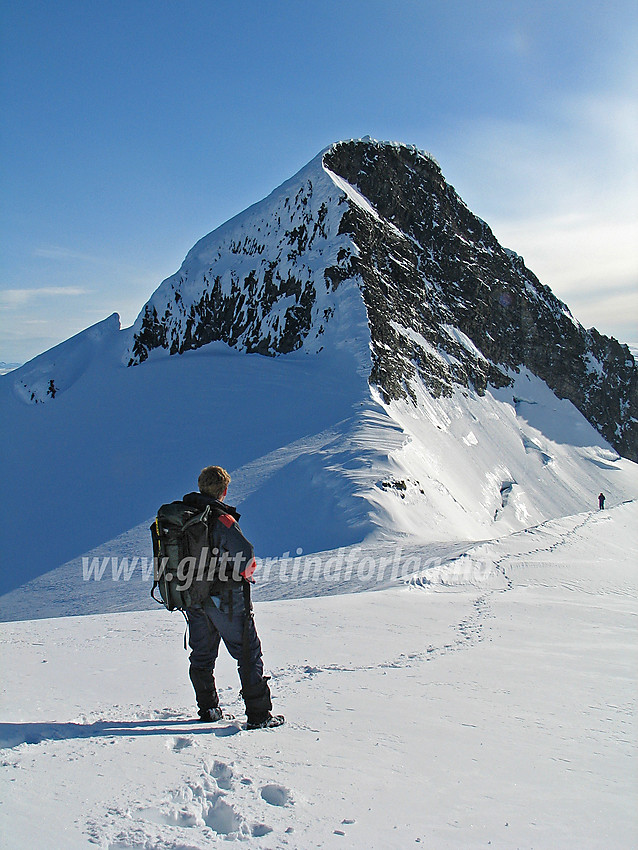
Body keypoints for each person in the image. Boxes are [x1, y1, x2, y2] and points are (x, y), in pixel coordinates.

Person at [182, 465, 284, 729]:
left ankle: (208, 709)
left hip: (192, 597)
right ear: (224, 491)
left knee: (202, 654)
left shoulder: (184, 515)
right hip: (224, 598)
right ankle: (259, 715)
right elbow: (246, 555)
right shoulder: (221, 519)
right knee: (248, 652)